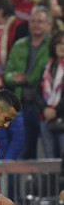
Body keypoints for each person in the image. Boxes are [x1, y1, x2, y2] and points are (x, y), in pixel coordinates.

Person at [4, 6, 51, 159]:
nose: (36, 25)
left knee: (48, 151)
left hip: (43, 105)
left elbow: (47, 74)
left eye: (40, 22)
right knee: (24, 151)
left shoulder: (53, 45)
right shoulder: (19, 44)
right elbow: (7, 74)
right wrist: (13, 78)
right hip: (22, 104)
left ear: (48, 25)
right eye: (33, 21)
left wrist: (26, 79)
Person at [37, 30, 64, 158]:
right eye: (59, 43)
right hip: (46, 118)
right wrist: (45, 109)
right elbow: (38, 92)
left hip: (61, 117)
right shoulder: (46, 67)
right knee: (49, 159)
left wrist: (55, 110)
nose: (61, 47)